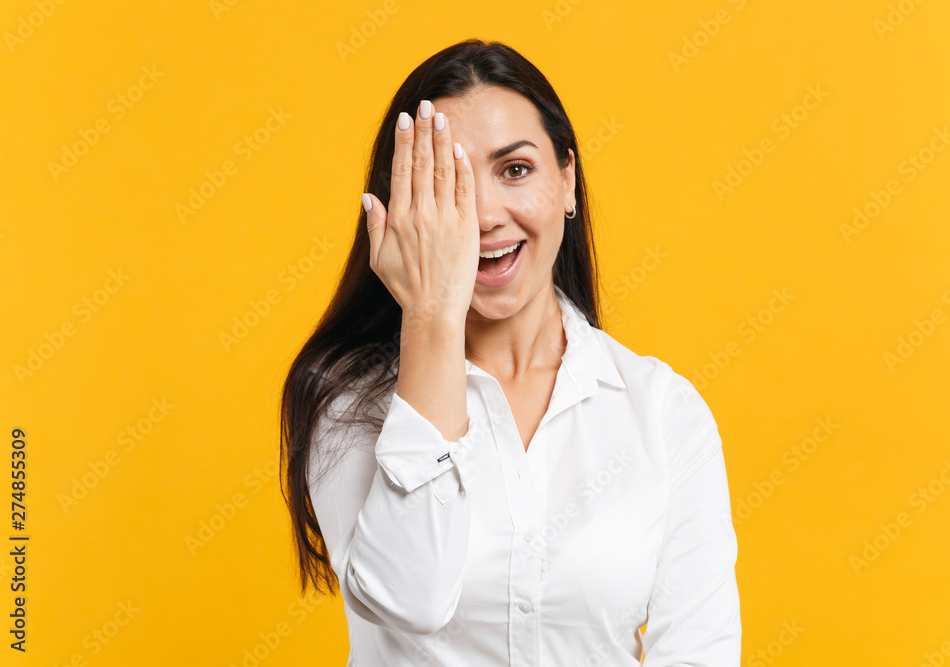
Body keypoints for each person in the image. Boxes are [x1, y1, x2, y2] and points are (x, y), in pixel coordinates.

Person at [279, 38, 741, 665]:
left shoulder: (663, 412)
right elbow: (410, 599)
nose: (487, 214)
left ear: (567, 182)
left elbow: (698, 652)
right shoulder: (349, 402)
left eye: (515, 169)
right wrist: (432, 315)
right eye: (450, 182)